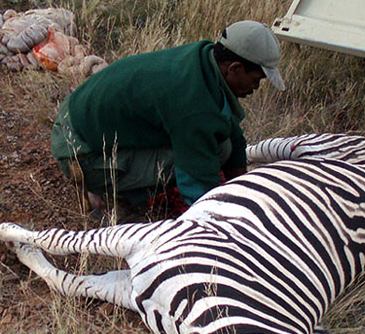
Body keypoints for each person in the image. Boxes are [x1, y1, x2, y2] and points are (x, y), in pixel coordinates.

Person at [51, 20, 284, 216]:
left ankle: (110, 181)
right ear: (234, 68)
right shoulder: (192, 103)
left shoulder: (203, 59)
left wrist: (241, 189)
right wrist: (222, 218)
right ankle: (105, 188)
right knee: (203, 155)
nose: (256, 87)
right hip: (78, 150)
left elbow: (232, 131)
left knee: (223, 146)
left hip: (79, 120)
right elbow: (197, 181)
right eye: (257, 79)